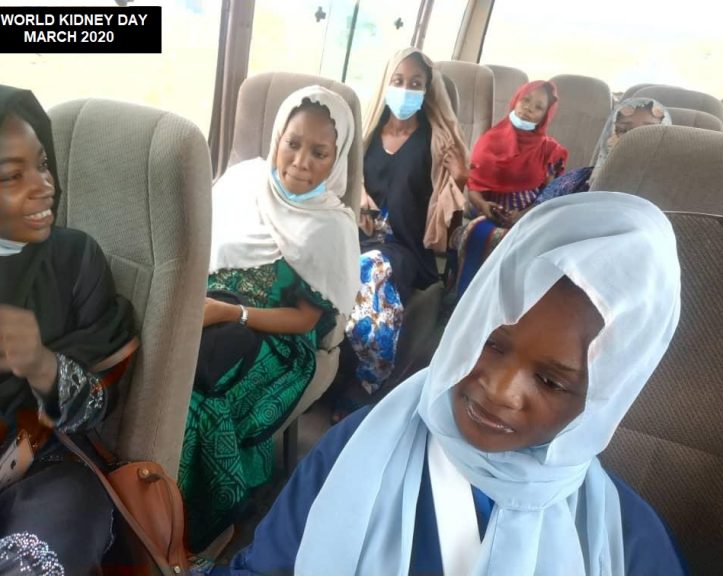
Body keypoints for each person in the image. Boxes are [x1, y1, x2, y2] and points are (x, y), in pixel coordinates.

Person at [223, 192, 686, 575]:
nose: (500, 390)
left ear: (603, 398)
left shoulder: (623, 545)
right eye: (491, 342)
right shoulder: (358, 445)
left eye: (549, 381)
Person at [178, 86, 360, 553]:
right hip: (208, 310)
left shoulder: (331, 225)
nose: (300, 162)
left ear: (336, 159)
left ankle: (194, 528)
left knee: (199, 401)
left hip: (277, 340)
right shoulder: (242, 183)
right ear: (277, 137)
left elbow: (303, 321)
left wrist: (232, 313)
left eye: (319, 153)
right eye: (292, 144)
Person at [0, 79, 137, 575]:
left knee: (59, 535)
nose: (45, 185)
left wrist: (42, 365)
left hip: (42, 475)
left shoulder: (71, 260)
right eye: (11, 175)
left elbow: (99, 408)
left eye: (42, 164)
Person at [341, 47, 468, 410]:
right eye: (398, 81)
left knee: (370, 270)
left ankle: (369, 382)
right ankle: (337, 373)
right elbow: (343, 186)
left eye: (415, 84)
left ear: (428, 90)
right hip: (355, 237)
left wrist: (460, 179)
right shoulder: (365, 138)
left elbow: (450, 226)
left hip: (405, 248)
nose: (405, 90)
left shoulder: (437, 142)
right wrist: (358, 199)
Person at [454, 80, 567, 297]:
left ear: (545, 116)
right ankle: (466, 298)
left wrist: (524, 214)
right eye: (526, 100)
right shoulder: (489, 141)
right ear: (515, 101)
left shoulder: (549, 150)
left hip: (529, 214)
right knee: (477, 235)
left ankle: (504, 303)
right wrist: (483, 205)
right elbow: (474, 186)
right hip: (489, 211)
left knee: (525, 247)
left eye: (538, 107)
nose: (528, 109)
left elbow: (550, 193)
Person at [531, 96, 671, 206]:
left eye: (649, 132)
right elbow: (538, 220)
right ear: (608, 137)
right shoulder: (575, 183)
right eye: (624, 130)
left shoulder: (675, 190)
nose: (634, 139)